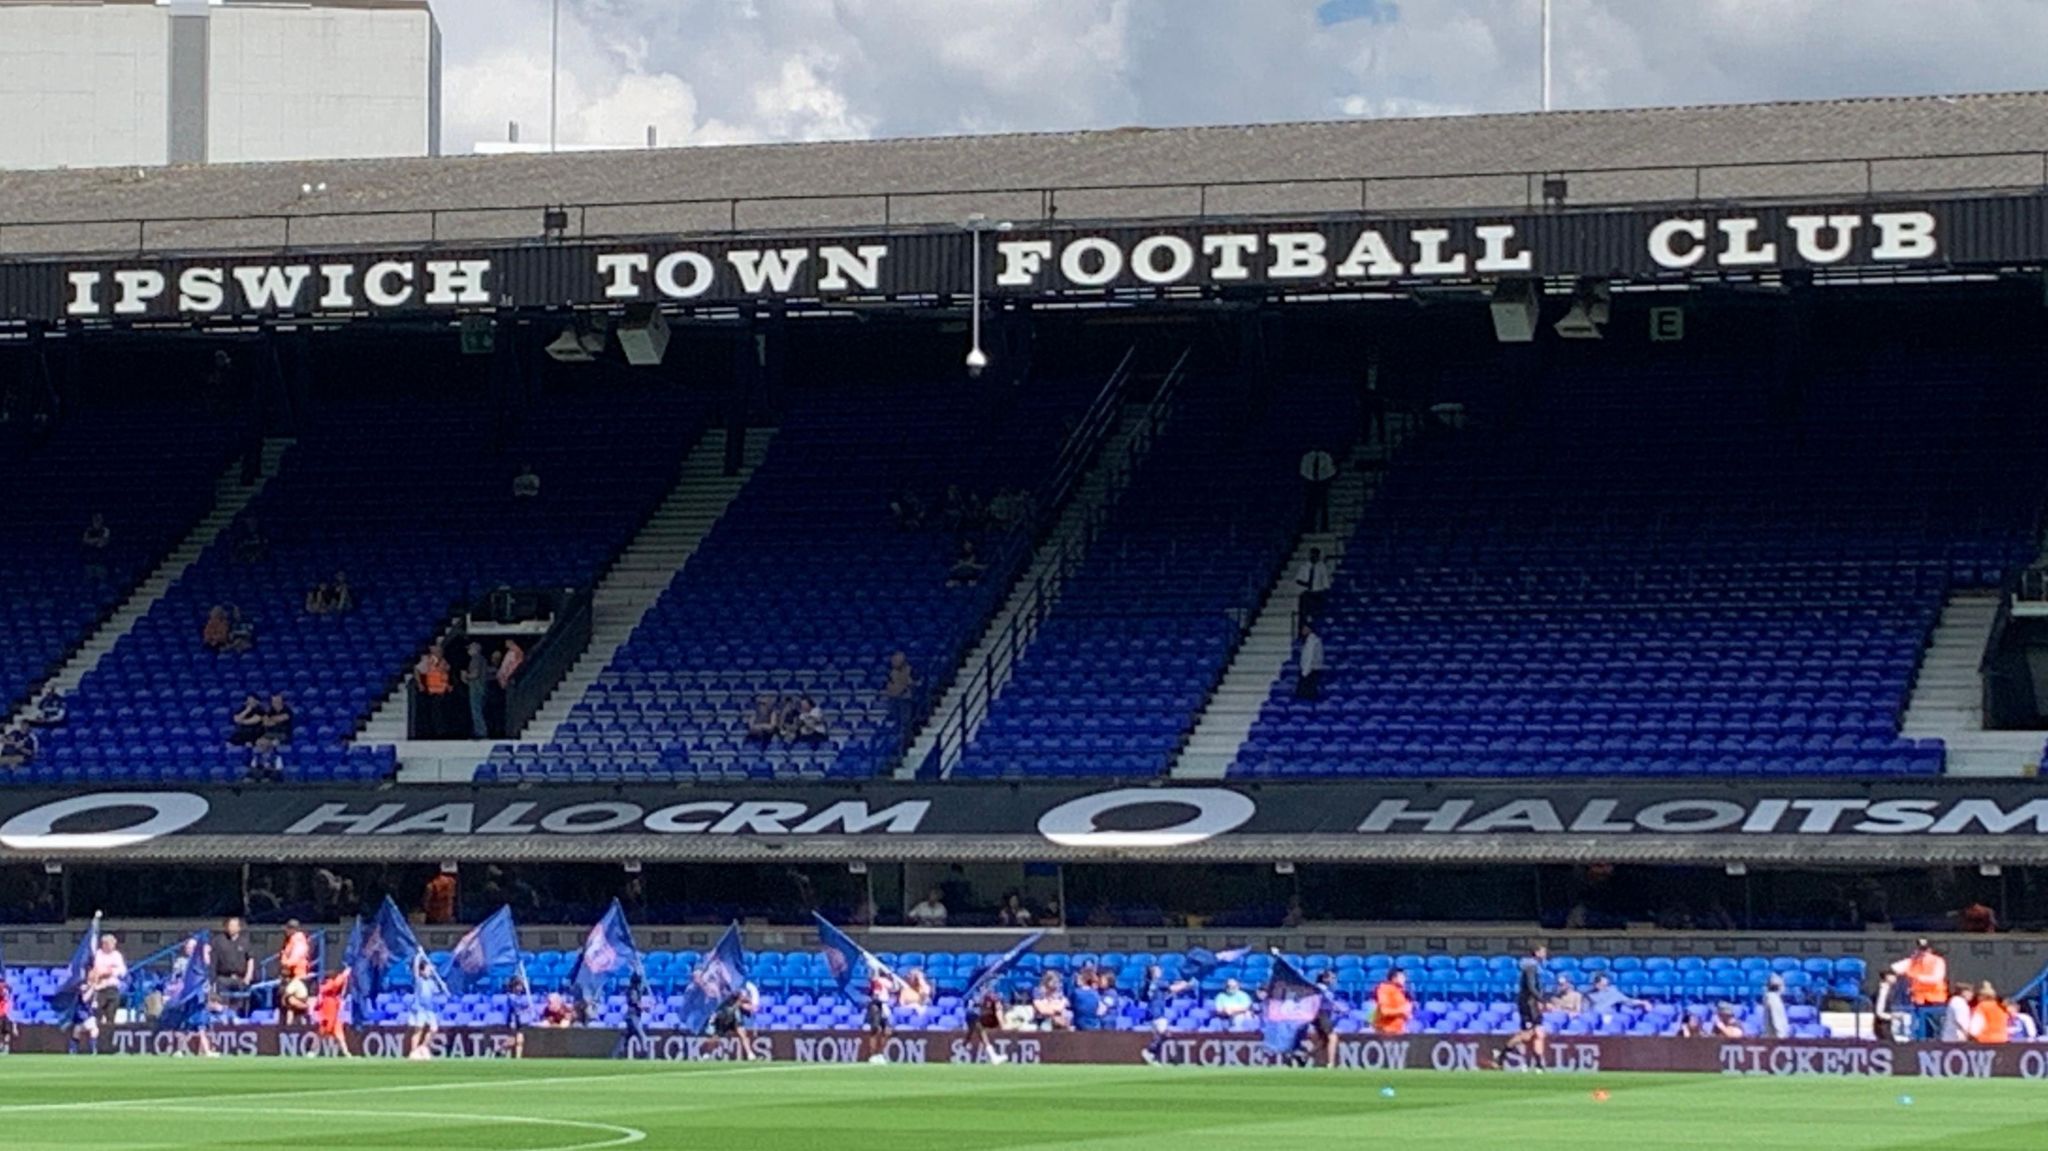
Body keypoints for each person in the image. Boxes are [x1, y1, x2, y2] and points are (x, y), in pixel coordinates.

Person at [1496, 944, 1549, 1070]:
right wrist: (1542, 1000)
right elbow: (1531, 987)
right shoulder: (1530, 967)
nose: (1545, 954)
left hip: (1533, 1004)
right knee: (1526, 1035)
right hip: (1528, 1004)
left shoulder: (1536, 967)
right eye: (1543, 952)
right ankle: (1501, 1056)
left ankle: (1539, 1065)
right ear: (1536, 953)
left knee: (1539, 1033)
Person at [1891, 938, 1950, 1041]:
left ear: (1930, 950)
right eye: (1920, 949)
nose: (1922, 953)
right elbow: (1895, 968)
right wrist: (1911, 960)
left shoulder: (1938, 961)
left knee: (1936, 1029)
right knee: (1920, 1029)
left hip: (1935, 1001)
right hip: (1919, 1001)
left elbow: (1936, 978)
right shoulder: (1913, 961)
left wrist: (1916, 977)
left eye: (1924, 950)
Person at [211, 916, 254, 1018]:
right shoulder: (218, 941)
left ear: (239, 928)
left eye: (234, 926)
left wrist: (248, 976)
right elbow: (212, 958)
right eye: (230, 925)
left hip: (240, 978)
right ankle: (224, 1021)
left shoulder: (245, 941)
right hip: (223, 978)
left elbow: (250, 959)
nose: (231, 928)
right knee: (223, 1003)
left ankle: (238, 1020)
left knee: (239, 1004)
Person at [87, 933, 128, 1028]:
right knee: (97, 1014)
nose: (112, 946)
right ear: (104, 944)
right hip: (100, 989)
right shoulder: (98, 954)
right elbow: (98, 970)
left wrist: (110, 970)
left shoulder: (117, 955)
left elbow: (122, 971)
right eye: (110, 943)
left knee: (111, 1014)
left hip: (112, 988)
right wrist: (108, 969)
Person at [711, 981, 760, 1059]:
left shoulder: (743, 990)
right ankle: (708, 1053)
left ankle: (750, 1053)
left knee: (743, 1034)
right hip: (725, 1016)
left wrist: (744, 1003)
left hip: (736, 1016)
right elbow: (720, 1005)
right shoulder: (726, 992)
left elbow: (749, 1005)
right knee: (717, 1036)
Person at [862, 966, 899, 1064]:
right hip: (876, 1006)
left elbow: (895, 988)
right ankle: (872, 1055)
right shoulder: (876, 981)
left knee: (887, 1031)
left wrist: (893, 977)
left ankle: (880, 1053)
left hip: (885, 1006)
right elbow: (875, 994)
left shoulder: (887, 981)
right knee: (876, 1030)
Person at [415, 644, 453, 737]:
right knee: (434, 713)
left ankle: (442, 732)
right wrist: (419, 683)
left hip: (443, 692)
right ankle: (436, 732)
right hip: (432, 692)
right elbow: (417, 670)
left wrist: (448, 685)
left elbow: (444, 675)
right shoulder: (428, 660)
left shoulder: (443, 661)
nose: (440, 653)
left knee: (442, 714)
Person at [967, 983, 1009, 1064]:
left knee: (980, 1028)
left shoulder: (989, 999)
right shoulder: (977, 998)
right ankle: (993, 1056)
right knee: (979, 1027)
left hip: (978, 1021)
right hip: (973, 1021)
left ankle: (993, 1056)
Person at [315, 968, 353, 1057]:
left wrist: (344, 977)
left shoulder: (330, 989)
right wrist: (344, 975)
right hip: (328, 1011)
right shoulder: (326, 986)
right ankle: (313, 1051)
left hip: (334, 1012)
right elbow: (335, 984)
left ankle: (346, 1052)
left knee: (339, 1034)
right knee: (322, 1032)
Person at [1299, 447, 1337, 532]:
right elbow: (1303, 470)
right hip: (1310, 483)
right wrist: (1310, 479)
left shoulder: (1326, 456)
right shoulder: (1307, 456)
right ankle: (1309, 527)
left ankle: (1324, 527)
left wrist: (1323, 479)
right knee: (1310, 506)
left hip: (1322, 482)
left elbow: (1331, 470)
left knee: (1324, 506)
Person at [1583, 973, 1648, 1018]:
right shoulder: (1588, 995)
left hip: (1610, 1016)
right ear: (1595, 984)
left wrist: (1643, 1002)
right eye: (1600, 984)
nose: (1603, 986)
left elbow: (1629, 1001)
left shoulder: (1614, 993)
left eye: (1605, 985)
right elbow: (1584, 1010)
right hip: (1593, 1017)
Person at [463, 642, 492, 739]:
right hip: (482, 687)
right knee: (480, 710)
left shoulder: (476, 659)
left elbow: (475, 674)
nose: (468, 650)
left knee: (476, 710)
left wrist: (465, 675)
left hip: (476, 688)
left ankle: (480, 732)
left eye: (470, 648)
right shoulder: (483, 659)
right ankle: (479, 730)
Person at [1295, 547, 1333, 622]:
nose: (1314, 557)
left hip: (1318, 591)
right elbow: (1298, 579)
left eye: (1316, 555)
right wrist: (1306, 584)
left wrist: (1326, 589)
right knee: (1305, 610)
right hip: (1307, 591)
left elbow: (1325, 580)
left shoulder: (1322, 566)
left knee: (1318, 610)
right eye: (1312, 555)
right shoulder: (1304, 566)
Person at [1373, 968, 1414, 1035]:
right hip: (1385, 1031)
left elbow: (1404, 1012)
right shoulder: (1384, 989)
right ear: (1394, 978)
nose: (1404, 979)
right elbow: (1385, 1011)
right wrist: (1402, 1010)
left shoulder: (1401, 992)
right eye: (1402, 976)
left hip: (1398, 1031)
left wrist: (1407, 1014)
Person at [1295, 621, 1325, 701]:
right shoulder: (1310, 640)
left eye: (1305, 628)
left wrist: (1305, 672)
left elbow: (1309, 656)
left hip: (1310, 670)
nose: (1303, 630)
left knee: (1307, 692)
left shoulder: (1312, 641)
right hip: (1309, 669)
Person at [1761, 974, 1791, 1039]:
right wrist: (1781, 1036)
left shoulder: (1772, 997)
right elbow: (1776, 1019)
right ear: (1779, 987)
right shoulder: (1773, 999)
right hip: (1775, 1038)